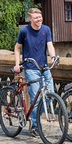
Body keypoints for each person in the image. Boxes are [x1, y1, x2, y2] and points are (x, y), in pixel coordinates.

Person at [14, 8, 57, 136]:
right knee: (35, 98)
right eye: (36, 18)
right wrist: (17, 64)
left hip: (44, 67)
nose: (39, 20)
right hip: (31, 68)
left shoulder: (46, 29)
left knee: (51, 95)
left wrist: (53, 57)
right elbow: (17, 48)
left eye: (40, 17)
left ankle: (35, 117)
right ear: (30, 19)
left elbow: (50, 45)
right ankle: (34, 124)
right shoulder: (24, 31)